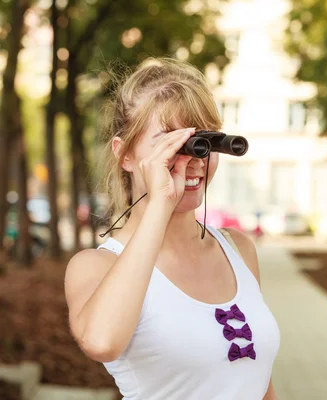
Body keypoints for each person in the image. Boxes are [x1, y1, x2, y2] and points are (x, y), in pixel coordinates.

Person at [64, 58, 280, 400]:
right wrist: (161, 201)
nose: (193, 159)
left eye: (204, 142)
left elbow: (259, 382)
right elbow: (102, 341)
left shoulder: (238, 249)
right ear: (126, 156)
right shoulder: (96, 266)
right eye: (172, 144)